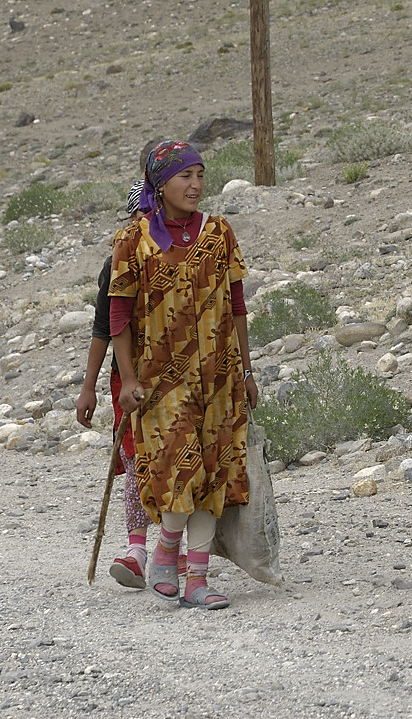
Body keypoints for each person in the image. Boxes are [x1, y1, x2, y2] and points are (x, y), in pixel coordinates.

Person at [109, 140, 257, 610]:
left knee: (214, 476)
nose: (195, 185)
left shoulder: (219, 233)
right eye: (184, 177)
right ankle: (165, 550)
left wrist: (247, 370)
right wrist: (127, 378)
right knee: (181, 470)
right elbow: (119, 316)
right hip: (160, 382)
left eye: (200, 175)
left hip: (219, 378)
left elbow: (236, 306)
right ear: (160, 184)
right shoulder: (133, 241)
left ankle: (197, 579)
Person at [76, 143, 185, 589]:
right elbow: (106, 323)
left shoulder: (193, 247)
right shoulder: (121, 256)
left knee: (178, 457)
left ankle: (172, 551)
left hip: (182, 372)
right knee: (139, 459)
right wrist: (90, 387)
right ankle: (138, 549)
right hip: (132, 379)